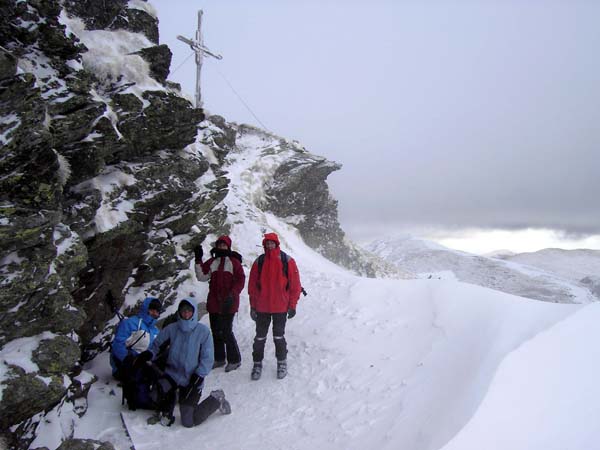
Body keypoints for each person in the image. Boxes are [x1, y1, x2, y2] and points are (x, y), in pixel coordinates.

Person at [135, 297, 231, 427]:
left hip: (191, 379)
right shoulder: (172, 329)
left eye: (189, 311)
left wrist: (199, 376)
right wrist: (149, 354)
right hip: (171, 374)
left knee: (189, 420)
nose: (186, 314)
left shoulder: (203, 332)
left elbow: (207, 358)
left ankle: (216, 399)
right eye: (183, 311)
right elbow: (157, 346)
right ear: (179, 312)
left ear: (194, 312)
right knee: (154, 398)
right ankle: (174, 396)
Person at [248, 232, 302, 380]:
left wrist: (292, 305)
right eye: (267, 243)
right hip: (262, 307)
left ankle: (282, 362)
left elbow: (295, 285)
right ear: (264, 245)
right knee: (260, 337)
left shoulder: (287, 260)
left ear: (277, 244)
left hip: (280, 307)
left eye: (272, 243)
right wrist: (253, 306)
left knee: (278, 336)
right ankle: (257, 363)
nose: (269, 245)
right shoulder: (259, 261)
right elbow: (252, 286)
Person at [194, 236, 246, 372]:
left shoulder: (234, 262)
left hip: (229, 303)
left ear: (228, 247)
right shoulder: (212, 261)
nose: (222, 247)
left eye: (224, 245)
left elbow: (241, 280)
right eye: (220, 245)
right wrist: (198, 259)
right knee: (216, 331)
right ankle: (219, 358)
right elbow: (202, 277)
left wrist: (233, 294)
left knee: (226, 331)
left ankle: (235, 360)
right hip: (214, 302)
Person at [110, 296, 162, 380]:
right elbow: (118, 344)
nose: (155, 313)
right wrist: (130, 360)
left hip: (143, 365)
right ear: (146, 309)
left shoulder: (155, 331)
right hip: (124, 365)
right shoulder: (131, 323)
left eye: (157, 312)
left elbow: (156, 348)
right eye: (152, 310)